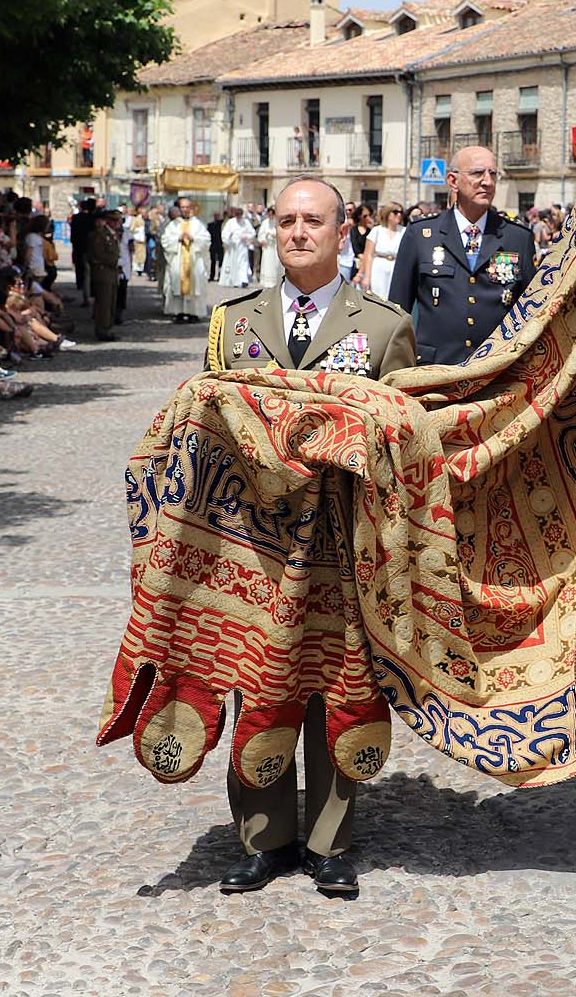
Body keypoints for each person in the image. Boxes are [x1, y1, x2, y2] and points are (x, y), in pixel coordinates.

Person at [205, 177, 415, 900]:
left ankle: (330, 841)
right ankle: (264, 839)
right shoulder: (232, 323)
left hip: (341, 539)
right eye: (286, 220)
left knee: (336, 683)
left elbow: (407, 441)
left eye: (313, 221)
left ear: (343, 228)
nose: (298, 232)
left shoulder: (385, 328)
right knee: (257, 681)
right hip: (256, 544)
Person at [387, 146, 534, 365]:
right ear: (453, 181)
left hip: (495, 371)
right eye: (477, 173)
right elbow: (398, 310)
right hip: (434, 370)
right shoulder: (421, 234)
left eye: (493, 174)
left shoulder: (517, 237)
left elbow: (530, 311)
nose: (488, 181)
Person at [160, 198, 211, 324]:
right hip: (178, 258)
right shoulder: (174, 224)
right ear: (180, 208)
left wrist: (193, 238)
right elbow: (166, 240)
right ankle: (178, 312)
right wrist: (178, 238)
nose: (185, 210)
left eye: (187, 207)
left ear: (191, 208)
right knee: (176, 283)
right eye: (183, 207)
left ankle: (194, 313)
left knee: (195, 286)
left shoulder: (198, 224)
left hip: (194, 259)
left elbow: (206, 240)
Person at [89, 208, 125, 342]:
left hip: (112, 272)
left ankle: (108, 327)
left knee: (111, 302)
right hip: (103, 271)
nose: (118, 223)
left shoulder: (112, 234)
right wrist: (115, 261)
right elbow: (99, 254)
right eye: (115, 221)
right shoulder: (100, 235)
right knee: (104, 302)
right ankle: (102, 329)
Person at [358, 203, 405, 300]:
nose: (399, 215)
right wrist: (366, 276)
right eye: (395, 212)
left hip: (396, 268)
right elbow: (368, 255)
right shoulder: (377, 230)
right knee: (377, 297)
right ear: (388, 214)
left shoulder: (405, 231)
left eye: (401, 212)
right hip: (378, 268)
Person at [219, 207, 254, 289]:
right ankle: (233, 280)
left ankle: (243, 280)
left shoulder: (246, 222)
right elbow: (224, 234)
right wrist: (229, 236)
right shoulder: (230, 222)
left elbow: (252, 233)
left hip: (242, 247)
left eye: (240, 216)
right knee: (233, 264)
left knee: (243, 263)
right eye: (237, 216)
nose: (238, 218)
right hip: (233, 247)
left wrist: (246, 237)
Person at [207, 210, 226, 283]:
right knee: (213, 261)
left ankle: (220, 276)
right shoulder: (210, 225)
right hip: (213, 245)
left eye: (218, 216)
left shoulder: (221, 224)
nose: (216, 217)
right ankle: (212, 276)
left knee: (221, 261)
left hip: (220, 245)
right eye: (215, 216)